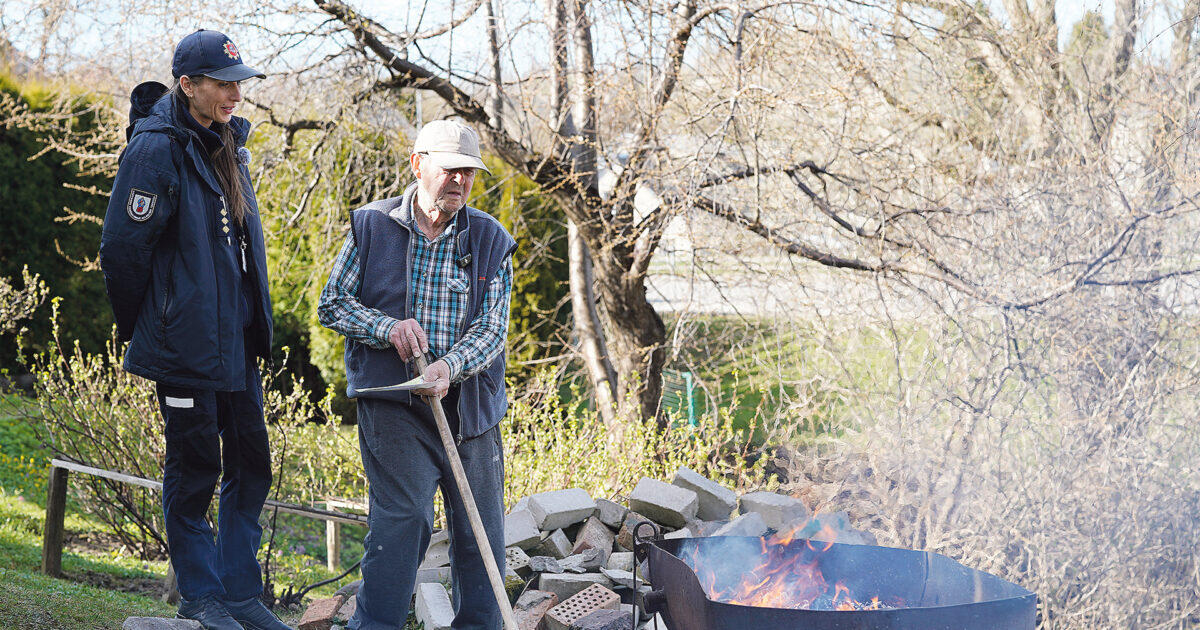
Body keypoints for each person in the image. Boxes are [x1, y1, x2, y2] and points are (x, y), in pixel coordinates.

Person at [99, 29, 290, 630]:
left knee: (251, 465)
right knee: (195, 471)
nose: (236, 94)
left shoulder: (228, 145)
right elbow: (121, 252)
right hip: (184, 348)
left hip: (237, 345)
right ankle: (201, 597)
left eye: (240, 83)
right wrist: (153, 329)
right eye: (224, 84)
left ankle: (238, 593)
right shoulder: (155, 150)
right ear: (187, 84)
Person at [318, 119, 516, 630]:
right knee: (404, 522)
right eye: (449, 169)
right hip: (395, 404)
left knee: (480, 533)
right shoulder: (372, 226)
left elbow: (492, 330)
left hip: (470, 409)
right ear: (417, 164)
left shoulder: (491, 240)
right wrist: (386, 328)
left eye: (469, 172)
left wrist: (450, 366)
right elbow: (332, 302)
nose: (460, 181)